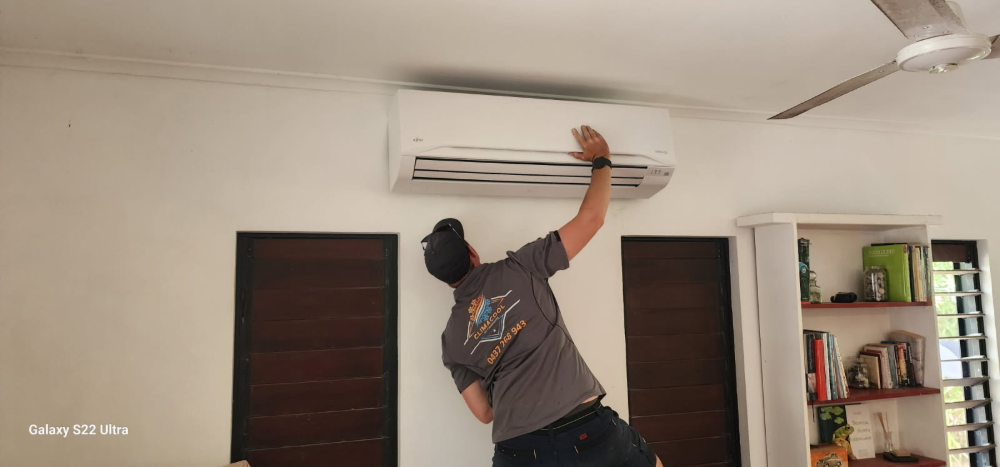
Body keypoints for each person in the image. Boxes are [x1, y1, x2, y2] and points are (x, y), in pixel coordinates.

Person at [421, 126, 664, 467]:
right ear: (471, 251)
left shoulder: (450, 341)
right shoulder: (521, 266)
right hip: (585, 432)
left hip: (517, 449)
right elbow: (592, 219)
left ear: (442, 280)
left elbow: (484, 413)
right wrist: (602, 159)